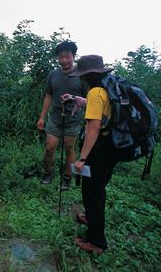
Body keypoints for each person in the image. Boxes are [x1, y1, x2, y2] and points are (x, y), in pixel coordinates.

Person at [69, 54, 116, 255]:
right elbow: (105, 113)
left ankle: (97, 242)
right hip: (112, 148)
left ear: (86, 76)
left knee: (93, 193)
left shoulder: (95, 93)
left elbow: (93, 127)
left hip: (99, 151)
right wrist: (81, 101)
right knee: (97, 190)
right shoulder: (107, 89)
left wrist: (82, 159)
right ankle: (91, 218)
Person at [37, 41, 85, 190]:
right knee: (50, 148)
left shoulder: (82, 76)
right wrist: (42, 117)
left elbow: (89, 100)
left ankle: (67, 177)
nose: (63, 60)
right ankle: (48, 172)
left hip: (73, 119)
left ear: (74, 56)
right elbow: (48, 96)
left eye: (67, 57)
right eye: (60, 57)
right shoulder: (53, 74)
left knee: (69, 148)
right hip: (55, 117)